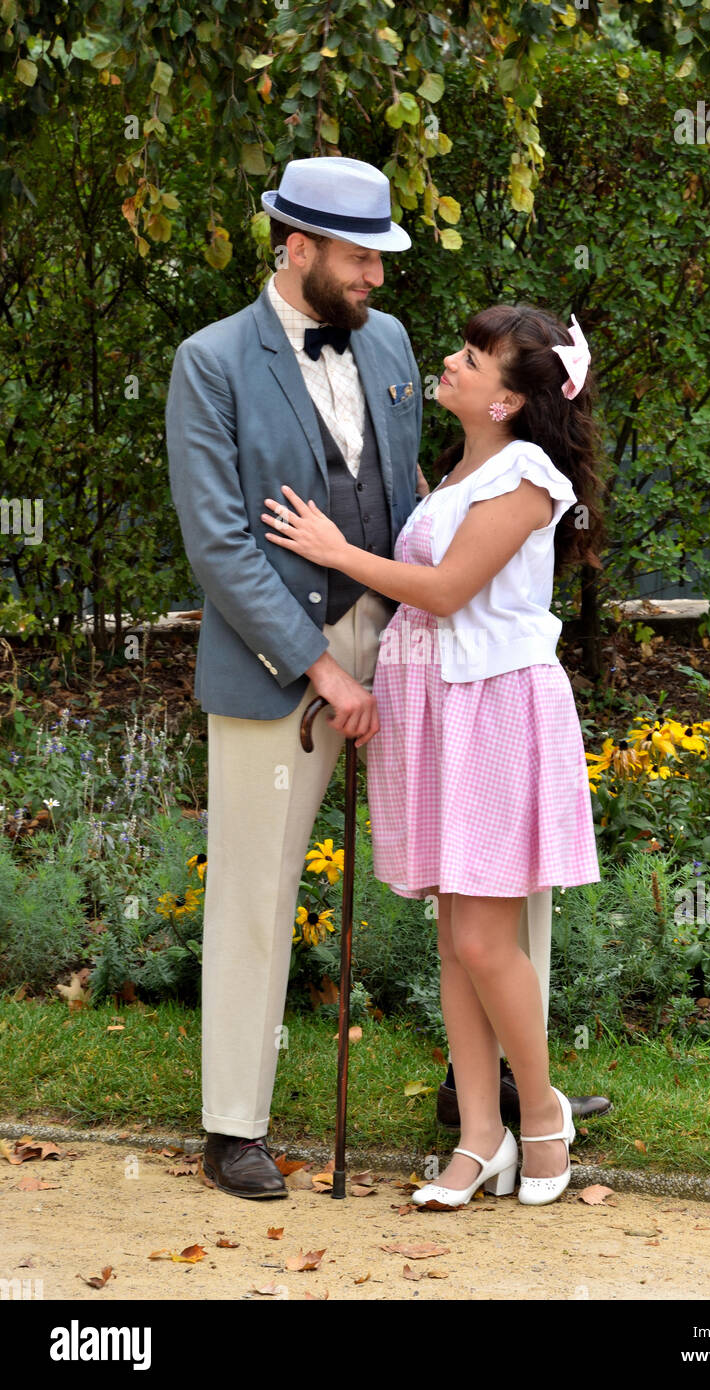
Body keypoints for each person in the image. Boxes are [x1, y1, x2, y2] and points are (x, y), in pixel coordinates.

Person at [166, 156, 602, 1202]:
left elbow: (427, 493)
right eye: (360, 257)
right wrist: (320, 662)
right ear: (298, 246)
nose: (374, 277)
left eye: (379, 256)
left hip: (423, 649)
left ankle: (496, 1097)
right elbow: (220, 544)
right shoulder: (209, 362)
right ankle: (235, 1122)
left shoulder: (397, 346)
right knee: (257, 883)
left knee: (487, 879)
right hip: (281, 657)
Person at [262, 302, 605, 1207]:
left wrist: (338, 551)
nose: (447, 361)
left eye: (471, 356)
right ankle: (480, 1138)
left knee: (487, 941)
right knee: (456, 938)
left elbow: (450, 592)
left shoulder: (529, 474)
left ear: (506, 400)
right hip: (442, 711)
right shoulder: (463, 471)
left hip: (492, 710)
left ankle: (542, 1116)